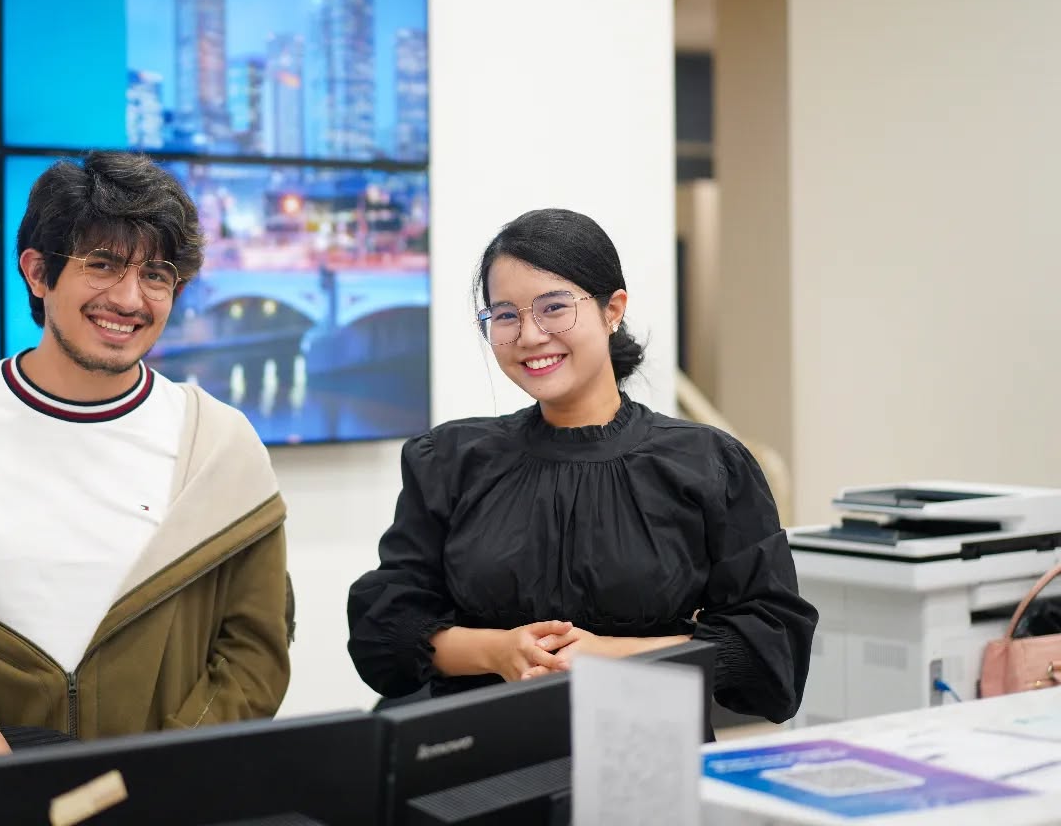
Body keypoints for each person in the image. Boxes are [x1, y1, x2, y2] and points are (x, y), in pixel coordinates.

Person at [0, 151, 292, 760]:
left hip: (169, 796)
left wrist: (173, 770)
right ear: (37, 272)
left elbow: (256, 646)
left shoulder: (218, 443)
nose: (129, 299)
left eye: (156, 275)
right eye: (102, 265)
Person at [346, 208, 817, 723]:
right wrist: (499, 652)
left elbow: (769, 649)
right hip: (476, 750)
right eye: (505, 316)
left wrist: (611, 656)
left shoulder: (707, 464)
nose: (529, 335)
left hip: (645, 748)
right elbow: (385, 627)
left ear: (612, 310)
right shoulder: (450, 460)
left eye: (553, 308)